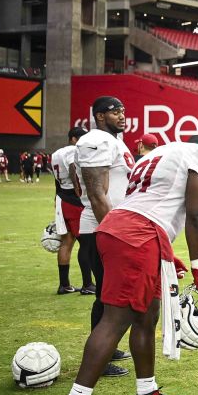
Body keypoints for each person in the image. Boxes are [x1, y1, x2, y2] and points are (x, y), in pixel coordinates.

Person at [49, 137, 198, 395]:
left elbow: (144, 204)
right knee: (116, 319)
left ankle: (146, 394)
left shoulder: (155, 156)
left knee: (146, 315)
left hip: (126, 229)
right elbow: (195, 214)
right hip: (137, 235)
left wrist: (163, 248)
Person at [76, 96, 137, 377]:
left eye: (123, 110)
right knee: (106, 296)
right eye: (115, 112)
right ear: (100, 116)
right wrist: (114, 230)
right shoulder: (95, 140)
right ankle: (98, 359)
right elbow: (97, 193)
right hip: (102, 229)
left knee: (108, 295)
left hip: (110, 226)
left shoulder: (112, 141)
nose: (122, 115)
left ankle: (108, 348)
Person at [51, 127, 90, 295]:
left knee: (67, 242)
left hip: (62, 197)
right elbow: (73, 168)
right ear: (73, 139)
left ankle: (64, 284)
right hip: (73, 200)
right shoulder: (73, 150)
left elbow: (56, 180)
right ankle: (88, 284)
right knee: (86, 243)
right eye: (81, 139)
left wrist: (56, 198)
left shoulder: (55, 153)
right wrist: (78, 191)